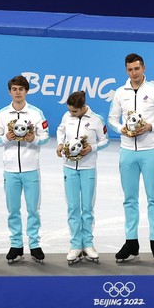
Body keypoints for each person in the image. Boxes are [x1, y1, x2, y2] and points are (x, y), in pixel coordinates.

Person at [108, 53, 154, 263]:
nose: (134, 73)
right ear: (126, 70)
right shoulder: (120, 93)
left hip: (150, 151)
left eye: (137, 69)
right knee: (130, 199)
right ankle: (131, 242)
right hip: (127, 152)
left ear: (144, 68)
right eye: (130, 69)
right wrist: (122, 129)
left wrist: (150, 126)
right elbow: (112, 119)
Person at [0, 75, 51, 264]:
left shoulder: (36, 113)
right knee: (13, 209)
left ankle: (34, 245)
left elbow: (46, 137)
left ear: (27, 91)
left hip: (31, 169)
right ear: (10, 91)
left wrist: (32, 139)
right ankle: (16, 245)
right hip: (10, 170)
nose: (18, 92)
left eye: (21, 89)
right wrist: (6, 138)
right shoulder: (2, 114)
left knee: (33, 209)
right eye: (14, 89)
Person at [57, 90, 110, 265]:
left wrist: (92, 148)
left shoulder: (96, 120)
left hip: (88, 168)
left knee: (87, 208)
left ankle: (87, 244)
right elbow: (61, 130)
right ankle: (75, 245)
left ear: (82, 108)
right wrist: (59, 144)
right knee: (73, 208)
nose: (71, 114)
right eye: (70, 111)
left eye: (74, 111)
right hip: (69, 168)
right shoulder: (66, 116)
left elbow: (105, 140)